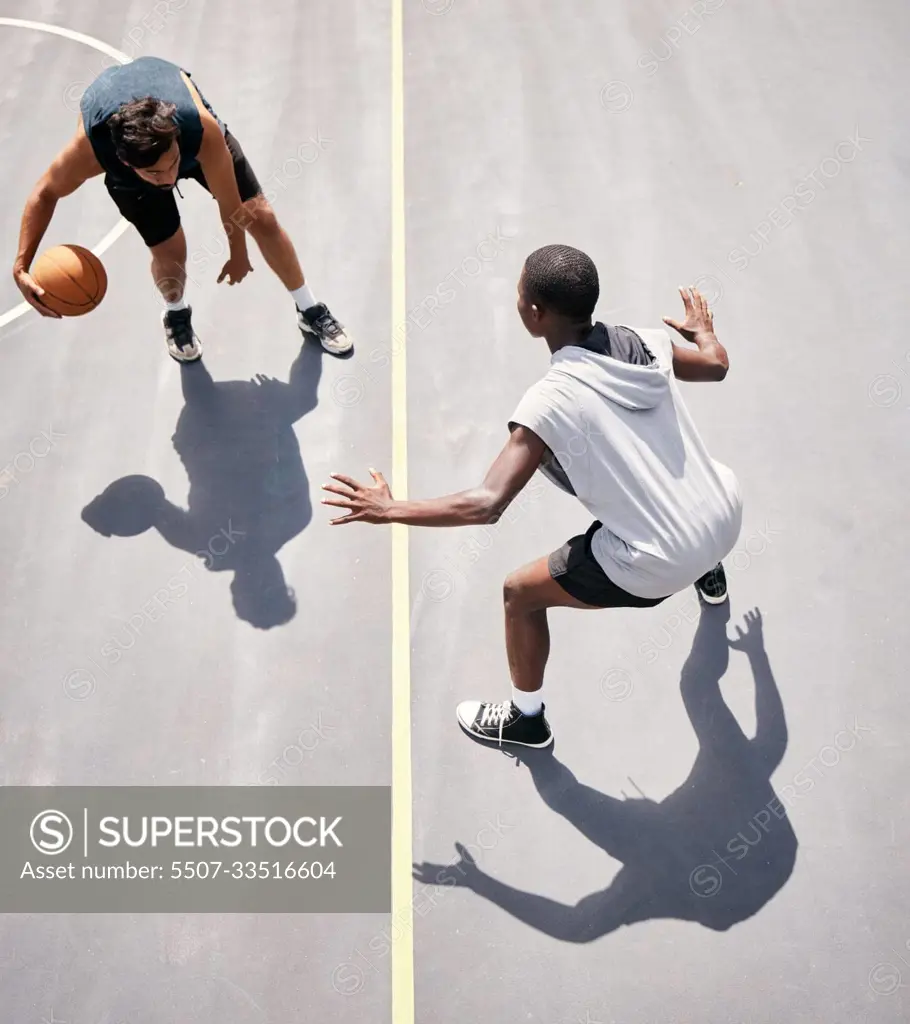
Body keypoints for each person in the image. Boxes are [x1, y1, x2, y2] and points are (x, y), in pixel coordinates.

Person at [321, 244, 742, 749]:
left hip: (662, 558)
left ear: (536, 314)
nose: (517, 300)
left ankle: (526, 720)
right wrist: (704, 332)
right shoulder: (647, 341)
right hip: (723, 511)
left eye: (520, 293)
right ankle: (708, 568)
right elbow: (716, 366)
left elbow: (487, 503)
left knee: (519, 594)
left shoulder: (549, 401)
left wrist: (388, 509)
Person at [12, 56, 351, 361]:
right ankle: (176, 312)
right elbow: (44, 193)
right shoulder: (90, 151)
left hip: (192, 140)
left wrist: (238, 252)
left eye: (172, 165)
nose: (169, 177)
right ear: (126, 164)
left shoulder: (202, 132)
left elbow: (233, 205)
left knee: (262, 218)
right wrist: (21, 266)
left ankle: (310, 309)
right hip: (134, 159)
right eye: (155, 173)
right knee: (171, 250)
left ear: (175, 141)